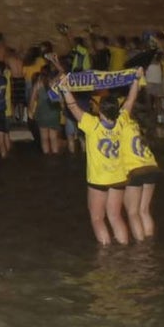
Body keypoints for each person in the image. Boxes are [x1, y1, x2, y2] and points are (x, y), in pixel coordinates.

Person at [59, 78, 132, 246]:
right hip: (119, 177)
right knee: (115, 216)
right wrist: (135, 82)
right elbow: (130, 101)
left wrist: (65, 89)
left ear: (100, 111)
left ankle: (106, 251)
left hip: (99, 180)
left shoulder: (92, 125)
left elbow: (73, 107)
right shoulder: (122, 121)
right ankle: (123, 248)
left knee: (97, 218)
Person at [118, 73, 159, 241]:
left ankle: (141, 247)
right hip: (151, 167)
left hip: (134, 170)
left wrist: (134, 84)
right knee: (144, 210)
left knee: (133, 212)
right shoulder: (147, 123)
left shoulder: (124, 121)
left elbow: (128, 102)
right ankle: (149, 242)